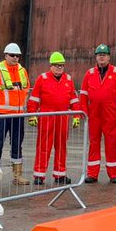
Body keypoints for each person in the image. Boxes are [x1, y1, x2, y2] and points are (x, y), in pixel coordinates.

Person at [78, 43, 116, 183]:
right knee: (94, 143)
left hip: (110, 114)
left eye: (104, 55)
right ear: (96, 57)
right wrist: (84, 113)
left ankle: (113, 174)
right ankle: (92, 174)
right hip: (94, 114)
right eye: (99, 55)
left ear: (109, 57)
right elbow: (83, 95)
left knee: (112, 144)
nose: (101, 57)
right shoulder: (89, 74)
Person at [0, 42, 30, 185]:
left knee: (17, 144)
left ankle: (17, 176)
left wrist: (22, 107)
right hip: (1, 115)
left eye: (18, 56)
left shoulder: (22, 71)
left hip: (18, 116)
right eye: (12, 55)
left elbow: (26, 89)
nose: (15, 58)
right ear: (6, 55)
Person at [27, 51, 80, 186]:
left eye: (61, 66)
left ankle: (60, 174)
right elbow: (34, 98)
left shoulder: (68, 79)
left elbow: (73, 99)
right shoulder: (42, 79)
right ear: (50, 66)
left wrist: (76, 116)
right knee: (44, 146)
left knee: (61, 147)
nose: (58, 68)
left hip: (62, 117)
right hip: (46, 117)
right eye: (56, 66)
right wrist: (32, 114)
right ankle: (39, 175)